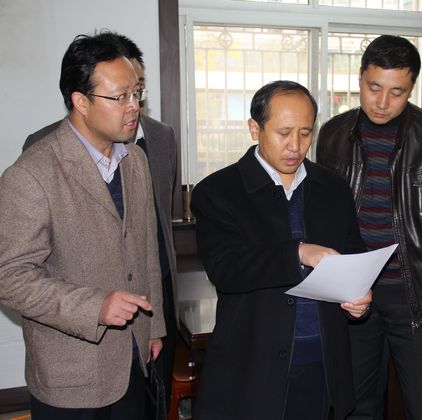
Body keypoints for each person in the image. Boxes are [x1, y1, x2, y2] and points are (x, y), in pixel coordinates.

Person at [0, 32, 165, 419]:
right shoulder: (31, 174)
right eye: (120, 97)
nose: (134, 107)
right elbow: (9, 276)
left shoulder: (135, 162)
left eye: (137, 93)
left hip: (133, 357)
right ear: (81, 102)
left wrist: (153, 325)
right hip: (70, 375)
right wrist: (95, 307)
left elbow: (146, 250)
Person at [191, 80, 372, 420]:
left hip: (320, 356)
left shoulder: (332, 188)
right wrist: (298, 252)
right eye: (284, 133)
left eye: (305, 133)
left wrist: (359, 297)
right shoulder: (218, 192)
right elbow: (226, 269)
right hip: (253, 363)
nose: (295, 146)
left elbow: (352, 257)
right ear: (254, 129)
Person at [316, 35, 422, 419]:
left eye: (396, 92)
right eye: (374, 88)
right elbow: (324, 217)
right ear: (359, 78)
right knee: (356, 404)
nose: (382, 102)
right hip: (354, 295)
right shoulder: (333, 134)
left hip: (415, 296)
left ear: (411, 88)